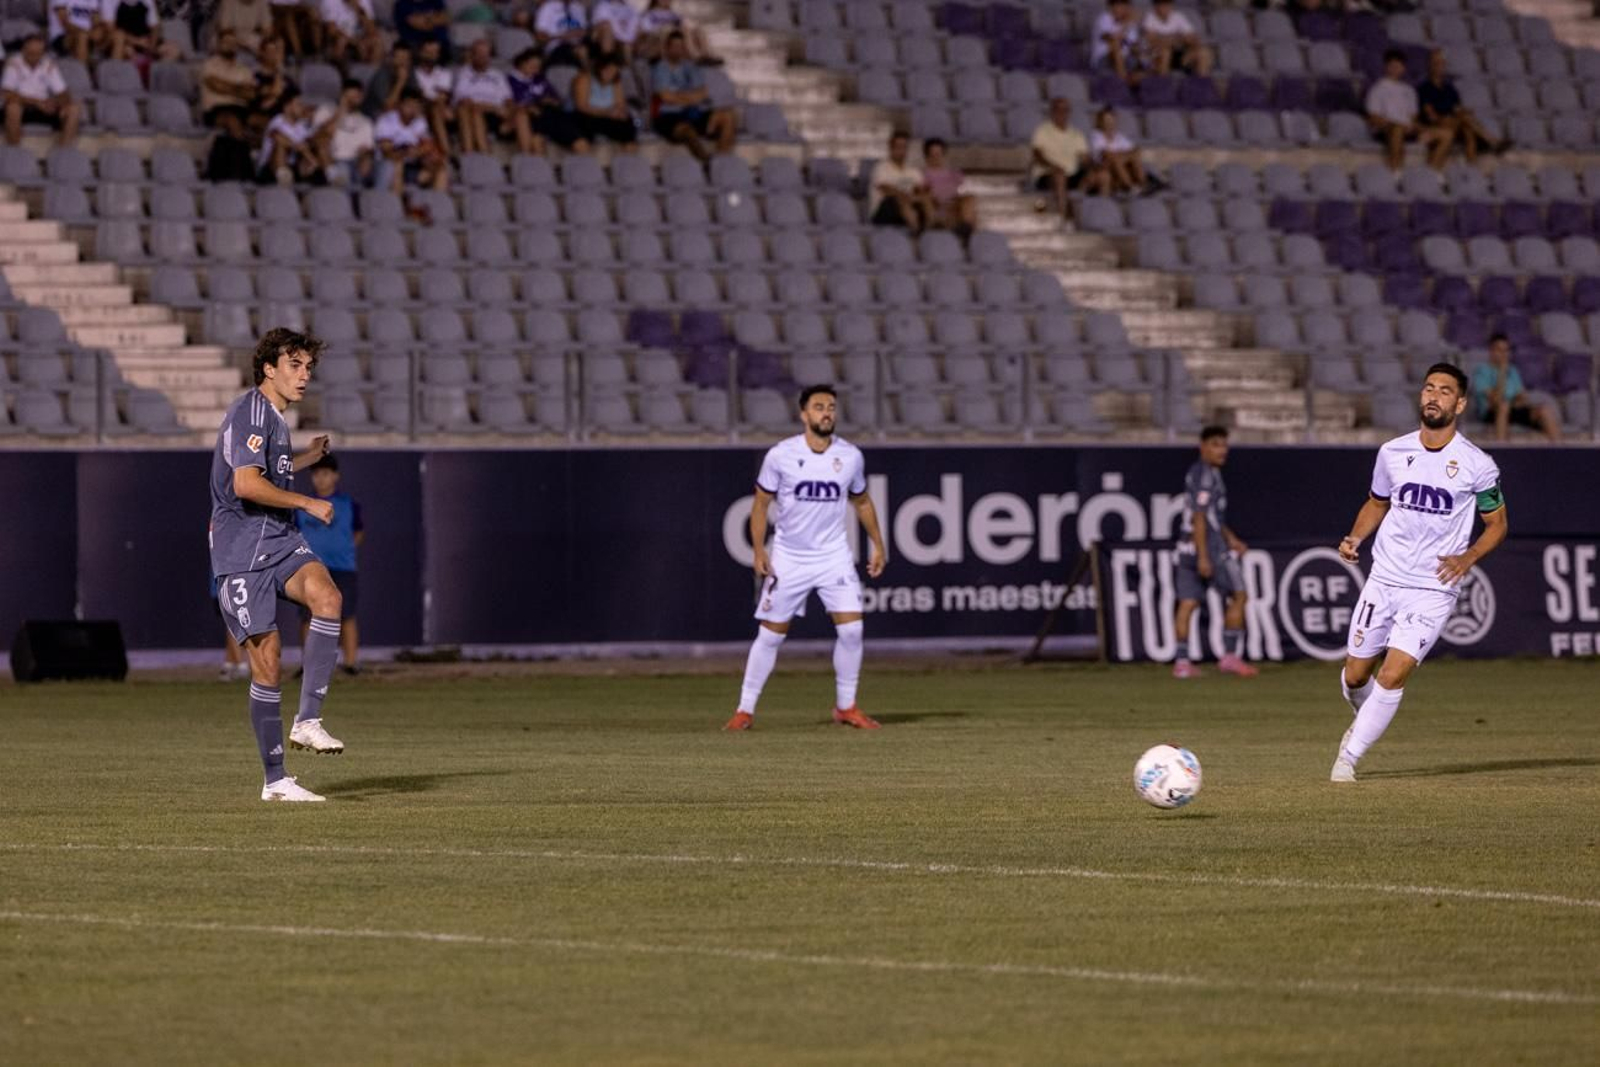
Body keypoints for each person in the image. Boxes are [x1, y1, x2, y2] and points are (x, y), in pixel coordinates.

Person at [1331, 363, 1508, 782]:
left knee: (1393, 674)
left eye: (1445, 391)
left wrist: (1467, 558)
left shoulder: (1477, 465)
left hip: (1432, 587)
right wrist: (1355, 537)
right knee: (1355, 676)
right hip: (1384, 579)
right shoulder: (1392, 452)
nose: (1434, 396)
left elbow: (1497, 524)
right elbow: (1378, 502)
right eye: (1429, 388)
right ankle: (1367, 717)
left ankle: (1348, 758)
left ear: (1460, 404)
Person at [209, 328, 347, 802]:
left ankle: (307, 720)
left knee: (327, 596)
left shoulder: (273, 419)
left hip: (279, 540)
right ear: (268, 368)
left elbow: (272, 468)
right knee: (267, 662)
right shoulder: (250, 411)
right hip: (242, 553)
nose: (304, 375)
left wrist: (308, 457)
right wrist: (307, 502)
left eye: (308, 367)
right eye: (294, 365)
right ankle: (276, 781)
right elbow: (246, 484)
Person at [725, 384, 889, 732]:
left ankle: (846, 707)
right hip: (790, 557)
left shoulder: (850, 456)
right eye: (818, 407)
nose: (826, 413)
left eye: (831, 407)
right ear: (803, 414)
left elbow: (861, 501)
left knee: (853, 630)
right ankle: (744, 710)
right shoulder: (781, 455)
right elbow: (760, 504)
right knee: (771, 636)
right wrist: (759, 550)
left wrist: (878, 544)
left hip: (833, 556)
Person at [1172, 426, 1257, 679]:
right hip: (1209, 548)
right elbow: (1200, 517)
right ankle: (1229, 657)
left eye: (1224, 445)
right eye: (1216, 444)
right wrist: (1204, 556)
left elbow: (1212, 517)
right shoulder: (1207, 477)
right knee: (1239, 595)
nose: (1222, 450)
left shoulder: (1197, 472)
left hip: (1185, 546)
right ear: (1203, 447)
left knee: (1188, 602)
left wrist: (1232, 539)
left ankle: (1182, 663)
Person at [295, 454, 364, 675]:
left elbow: (358, 532)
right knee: (308, 616)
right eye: (316, 474)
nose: (320, 479)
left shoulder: (348, 504)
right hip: (311, 569)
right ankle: (310, 665)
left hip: (343, 568)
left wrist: (343, 550)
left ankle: (351, 663)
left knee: (347, 615)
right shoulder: (302, 505)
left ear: (336, 476)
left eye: (325, 474)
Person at [650, 30, 735, 160]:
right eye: (675, 46)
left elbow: (703, 93)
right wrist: (690, 97)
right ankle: (706, 161)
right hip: (668, 116)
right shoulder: (660, 69)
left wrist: (680, 97)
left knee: (728, 116)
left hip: (693, 112)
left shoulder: (690, 67)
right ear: (667, 48)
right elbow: (666, 97)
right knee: (687, 130)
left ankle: (722, 160)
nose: (678, 50)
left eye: (681, 46)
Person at [1417, 49, 1507, 163]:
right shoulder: (1424, 88)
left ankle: (1472, 166)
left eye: (1441, 63)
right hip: (1438, 125)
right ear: (1429, 65)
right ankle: (1492, 140)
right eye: (1435, 63)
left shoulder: (1450, 89)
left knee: (1468, 129)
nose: (1439, 66)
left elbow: (1457, 108)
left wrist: (1464, 113)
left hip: (1455, 123)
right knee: (1464, 119)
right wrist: (1451, 118)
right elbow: (1431, 116)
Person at [1366, 48, 1450, 170]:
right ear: (1386, 67)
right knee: (1398, 129)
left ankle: (1430, 173)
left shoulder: (1409, 90)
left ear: (1403, 68)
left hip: (1408, 129)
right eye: (1392, 66)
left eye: (1399, 66)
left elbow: (1413, 116)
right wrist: (1397, 125)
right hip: (1386, 129)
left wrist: (1415, 127)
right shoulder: (1377, 89)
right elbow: (1374, 117)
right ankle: (1396, 173)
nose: (1396, 69)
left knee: (1446, 134)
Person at [1470, 333, 1562, 443]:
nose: (1503, 354)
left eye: (1506, 350)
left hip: (1513, 409)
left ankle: (1559, 447)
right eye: (1499, 350)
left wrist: (1517, 401)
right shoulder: (1481, 371)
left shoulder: (1513, 371)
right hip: (1491, 412)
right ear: (1491, 351)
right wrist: (1502, 372)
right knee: (1503, 406)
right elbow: (1495, 400)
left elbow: (1522, 398)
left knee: (1544, 410)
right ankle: (1501, 446)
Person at [2, 33, 80, 147]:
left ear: (43, 53)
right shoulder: (14, 63)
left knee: (74, 109)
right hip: (23, 107)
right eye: (30, 53)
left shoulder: (48, 64)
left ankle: (63, 152)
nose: (34, 57)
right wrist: (37, 103)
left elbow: (63, 93)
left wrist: (55, 102)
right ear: (23, 50)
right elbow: (7, 94)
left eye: (38, 53)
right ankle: (15, 151)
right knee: (12, 107)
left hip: (44, 108)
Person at [508, 46, 588, 153]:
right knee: (537, 140)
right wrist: (535, 103)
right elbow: (510, 104)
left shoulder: (540, 78)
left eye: (538, 67)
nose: (535, 69)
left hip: (552, 114)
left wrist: (551, 101)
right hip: (533, 116)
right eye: (532, 65)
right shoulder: (509, 81)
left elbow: (557, 99)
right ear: (522, 63)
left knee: (580, 142)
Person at [1030, 97, 1099, 219]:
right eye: (1058, 110)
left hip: (1071, 174)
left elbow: (1085, 158)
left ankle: (1091, 213)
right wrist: (1053, 166)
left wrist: (1094, 167)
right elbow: (1037, 154)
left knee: (1101, 175)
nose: (1062, 113)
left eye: (1065, 110)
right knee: (1059, 176)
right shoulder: (1042, 131)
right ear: (1052, 112)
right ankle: (1063, 215)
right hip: (1048, 174)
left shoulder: (1076, 134)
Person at [375, 89, 449, 193]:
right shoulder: (386, 120)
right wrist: (406, 153)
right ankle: (397, 202)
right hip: (386, 165)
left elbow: (428, 146)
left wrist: (418, 152)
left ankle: (437, 202)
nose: (412, 109)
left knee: (440, 168)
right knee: (397, 164)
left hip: (411, 165)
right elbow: (386, 151)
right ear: (400, 105)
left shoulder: (420, 121)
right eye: (409, 105)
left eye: (416, 106)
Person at [451, 37, 513, 155]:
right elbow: (463, 101)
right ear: (472, 55)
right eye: (479, 54)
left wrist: (509, 117)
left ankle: (483, 156)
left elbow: (508, 99)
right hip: (476, 111)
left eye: (486, 54)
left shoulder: (498, 75)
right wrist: (491, 108)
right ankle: (475, 154)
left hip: (496, 115)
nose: (483, 57)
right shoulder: (463, 74)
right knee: (471, 111)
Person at [313, 78, 375, 187]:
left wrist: (365, 157)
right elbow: (323, 136)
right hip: (335, 160)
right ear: (343, 95)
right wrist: (341, 110)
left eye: (359, 95)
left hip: (357, 161)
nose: (357, 98)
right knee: (343, 170)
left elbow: (368, 148)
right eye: (353, 95)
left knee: (386, 166)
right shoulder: (326, 110)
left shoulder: (366, 121)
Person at [200, 29, 257, 142]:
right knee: (232, 121)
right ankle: (243, 150)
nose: (230, 45)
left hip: (240, 109)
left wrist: (226, 86)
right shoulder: (209, 65)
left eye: (233, 42)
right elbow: (216, 86)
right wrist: (240, 88)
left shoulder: (244, 69)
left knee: (263, 121)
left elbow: (251, 94)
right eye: (226, 42)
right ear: (219, 45)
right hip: (216, 110)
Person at [868, 130, 929, 233]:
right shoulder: (881, 167)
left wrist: (919, 196)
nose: (901, 151)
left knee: (926, 199)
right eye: (898, 147)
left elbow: (920, 190)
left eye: (904, 147)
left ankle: (931, 231)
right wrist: (906, 196)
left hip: (908, 208)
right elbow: (886, 189)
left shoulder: (913, 170)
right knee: (898, 198)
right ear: (891, 148)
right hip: (884, 212)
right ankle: (915, 230)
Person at [572, 55, 637, 150]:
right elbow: (581, 106)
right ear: (600, 68)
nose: (610, 74)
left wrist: (620, 113)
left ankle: (629, 149)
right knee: (583, 122)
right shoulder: (585, 79)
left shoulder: (616, 82)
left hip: (608, 117)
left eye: (614, 71)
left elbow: (621, 104)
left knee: (628, 122)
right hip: (589, 116)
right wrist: (606, 112)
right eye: (608, 70)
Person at [257, 92, 322, 184]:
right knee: (281, 145)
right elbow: (277, 137)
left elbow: (309, 142)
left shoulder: (302, 125)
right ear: (287, 107)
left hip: (292, 166)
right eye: (299, 104)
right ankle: (282, 175)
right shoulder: (277, 120)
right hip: (269, 168)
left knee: (312, 146)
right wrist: (303, 151)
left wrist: (308, 154)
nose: (302, 108)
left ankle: (315, 178)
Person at [920, 137, 977, 237]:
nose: (937, 157)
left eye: (939, 154)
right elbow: (923, 192)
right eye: (933, 154)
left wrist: (955, 200)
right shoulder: (923, 174)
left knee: (969, 198)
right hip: (936, 205)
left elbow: (964, 189)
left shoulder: (954, 173)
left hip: (954, 204)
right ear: (927, 156)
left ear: (944, 154)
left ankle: (966, 228)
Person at [1089, 107, 1150, 194]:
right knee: (1116, 159)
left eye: (1111, 120)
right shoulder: (1096, 135)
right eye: (1106, 120)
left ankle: (1143, 184)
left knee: (1134, 157)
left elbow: (1135, 150)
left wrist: (1125, 155)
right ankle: (1130, 187)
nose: (1109, 123)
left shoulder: (1119, 136)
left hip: (1120, 163)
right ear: (1101, 122)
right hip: (1103, 166)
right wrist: (1125, 155)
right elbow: (1106, 154)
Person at [1141, 0, 1211, 76]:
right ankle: (1163, 81)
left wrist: (1168, 39)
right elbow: (1152, 40)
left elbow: (1192, 37)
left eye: (1167, 4)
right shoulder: (1150, 18)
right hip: (1159, 55)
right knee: (1165, 52)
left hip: (1179, 53)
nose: (1164, 7)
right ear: (1156, 6)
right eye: (1161, 4)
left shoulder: (1178, 16)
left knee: (1203, 53)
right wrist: (1177, 38)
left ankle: (1201, 81)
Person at [413, 38, 456, 154]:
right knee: (432, 108)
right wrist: (432, 98)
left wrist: (430, 98)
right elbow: (419, 97)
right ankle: (446, 152)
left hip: (438, 109)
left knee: (436, 109)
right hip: (421, 108)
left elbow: (442, 97)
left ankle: (445, 151)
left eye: (435, 52)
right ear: (420, 52)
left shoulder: (444, 73)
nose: (432, 55)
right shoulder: (414, 73)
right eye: (428, 52)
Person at [1091, 0, 1144, 86]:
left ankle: (1131, 81)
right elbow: (1113, 39)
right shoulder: (1104, 18)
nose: (1122, 9)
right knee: (1116, 47)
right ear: (1111, 7)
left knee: (1145, 60)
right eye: (1118, 5)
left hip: (1126, 59)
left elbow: (1133, 46)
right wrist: (1127, 24)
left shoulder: (1131, 24)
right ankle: (1123, 83)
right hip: (1104, 60)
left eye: (1124, 5)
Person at [362, 42, 419, 118]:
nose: (402, 63)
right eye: (400, 58)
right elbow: (387, 106)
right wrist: (401, 82)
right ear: (392, 58)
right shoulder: (382, 74)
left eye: (406, 59)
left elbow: (416, 99)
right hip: (375, 114)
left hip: (399, 113)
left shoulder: (410, 73)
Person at [320, 0, 381, 65]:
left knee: (377, 40)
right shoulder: (330, 2)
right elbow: (331, 31)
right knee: (341, 41)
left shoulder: (364, 2)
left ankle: (372, 68)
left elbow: (372, 30)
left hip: (359, 37)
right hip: (340, 38)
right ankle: (338, 68)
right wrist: (356, 42)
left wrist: (357, 8)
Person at [534, 0, 587, 68]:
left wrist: (580, 33)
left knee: (586, 49)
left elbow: (584, 30)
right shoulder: (548, 7)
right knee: (579, 52)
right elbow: (540, 36)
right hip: (555, 46)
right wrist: (563, 36)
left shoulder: (578, 7)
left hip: (578, 45)